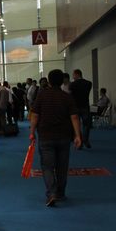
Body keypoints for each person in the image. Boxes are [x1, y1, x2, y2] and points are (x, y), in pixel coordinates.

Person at [29, 69, 82, 206]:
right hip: (64, 136)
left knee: (47, 166)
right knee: (62, 167)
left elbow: (35, 115)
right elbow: (74, 117)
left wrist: (32, 131)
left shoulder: (42, 95)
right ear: (62, 81)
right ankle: (61, 193)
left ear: (49, 81)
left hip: (46, 136)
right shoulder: (67, 97)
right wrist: (77, 135)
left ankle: (51, 193)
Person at [69, 69, 93, 148]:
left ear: (76, 74)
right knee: (86, 124)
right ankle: (86, 139)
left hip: (75, 107)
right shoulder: (88, 83)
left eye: (73, 75)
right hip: (85, 106)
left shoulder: (72, 84)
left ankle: (80, 141)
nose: (73, 77)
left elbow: (71, 95)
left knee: (77, 125)